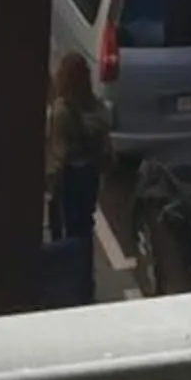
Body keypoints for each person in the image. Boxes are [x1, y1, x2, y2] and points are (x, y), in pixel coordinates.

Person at [45, 49, 111, 244]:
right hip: (90, 174)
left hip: (68, 177)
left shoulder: (62, 111)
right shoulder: (96, 106)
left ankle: (67, 267)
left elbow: (59, 154)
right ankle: (84, 268)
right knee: (84, 226)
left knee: (63, 227)